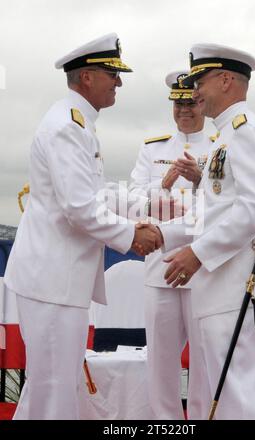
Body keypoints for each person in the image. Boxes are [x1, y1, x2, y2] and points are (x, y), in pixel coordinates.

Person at [4, 33, 162, 420]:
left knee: (54, 384)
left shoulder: (78, 124)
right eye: (113, 74)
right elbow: (79, 207)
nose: (119, 83)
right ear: (88, 76)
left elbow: (96, 194)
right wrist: (132, 235)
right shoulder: (67, 127)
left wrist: (146, 203)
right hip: (52, 281)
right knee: (54, 388)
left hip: (58, 281)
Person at [161, 43, 255, 419]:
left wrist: (197, 253)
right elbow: (221, 206)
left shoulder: (244, 131)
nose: (195, 90)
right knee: (223, 390)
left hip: (238, 284)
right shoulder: (227, 135)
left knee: (236, 397)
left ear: (227, 80)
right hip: (224, 287)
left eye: (201, 80)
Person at [130, 71, 212, 419]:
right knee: (161, 359)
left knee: (206, 360)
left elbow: (231, 203)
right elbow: (133, 204)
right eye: (178, 104)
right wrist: (161, 186)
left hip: (205, 268)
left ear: (202, 103)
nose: (184, 111)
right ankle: (165, 423)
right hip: (160, 269)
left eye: (190, 103)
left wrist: (201, 180)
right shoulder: (153, 150)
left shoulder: (221, 146)